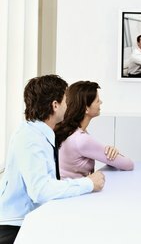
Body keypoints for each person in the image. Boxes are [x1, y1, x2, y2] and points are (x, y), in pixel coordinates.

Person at [0, 75, 105, 244]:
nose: (68, 105)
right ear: (55, 105)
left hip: (28, 221)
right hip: (16, 228)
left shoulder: (39, 133)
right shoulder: (30, 138)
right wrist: (88, 183)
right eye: (65, 100)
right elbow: (40, 190)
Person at [55, 81, 134, 179]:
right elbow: (128, 164)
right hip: (76, 192)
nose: (101, 102)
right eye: (97, 100)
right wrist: (115, 152)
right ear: (86, 108)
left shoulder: (68, 132)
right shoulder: (81, 139)